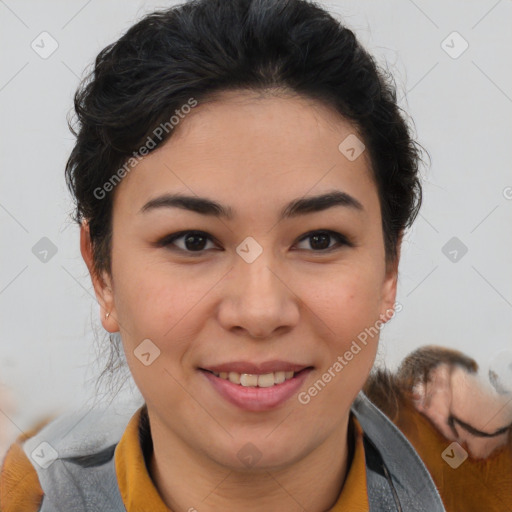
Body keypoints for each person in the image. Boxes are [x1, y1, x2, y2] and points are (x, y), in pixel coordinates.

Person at [0, 0, 510, 511]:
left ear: (389, 270)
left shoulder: (483, 479)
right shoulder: (24, 490)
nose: (260, 311)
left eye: (319, 240)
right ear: (102, 273)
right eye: (193, 241)